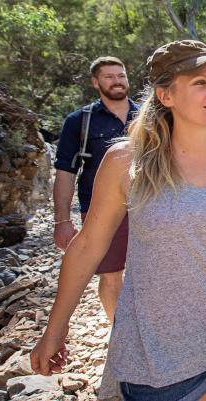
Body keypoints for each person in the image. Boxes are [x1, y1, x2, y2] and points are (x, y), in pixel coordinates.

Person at [32, 40, 206, 401]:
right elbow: (88, 246)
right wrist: (56, 329)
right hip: (156, 351)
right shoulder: (126, 160)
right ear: (166, 96)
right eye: (200, 83)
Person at [52, 56, 137, 322]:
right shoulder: (80, 121)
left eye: (121, 75)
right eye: (109, 77)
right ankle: (121, 333)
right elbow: (66, 172)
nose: (117, 81)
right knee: (112, 277)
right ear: (95, 82)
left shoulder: (148, 115)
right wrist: (62, 220)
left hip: (149, 206)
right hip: (100, 211)